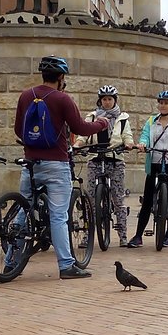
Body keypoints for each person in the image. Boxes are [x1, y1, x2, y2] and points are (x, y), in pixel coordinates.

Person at [14, 56, 109, 279]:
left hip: (30, 163)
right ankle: (66, 265)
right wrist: (102, 123)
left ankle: (10, 262)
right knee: (58, 216)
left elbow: (19, 129)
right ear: (61, 77)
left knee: (23, 210)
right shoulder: (62, 99)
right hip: (56, 164)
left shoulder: (26, 95)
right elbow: (80, 128)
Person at [127, 90, 168, 248]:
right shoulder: (151, 121)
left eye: (166, 103)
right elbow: (144, 136)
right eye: (161, 103)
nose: (162, 106)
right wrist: (142, 144)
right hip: (155, 162)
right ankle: (138, 236)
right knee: (147, 201)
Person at [73, 85, 134, 247]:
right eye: (104, 99)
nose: (107, 102)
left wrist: (128, 144)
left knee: (118, 198)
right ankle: (88, 235)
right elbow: (83, 135)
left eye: (109, 99)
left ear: (115, 101)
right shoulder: (92, 117)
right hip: (95, 158)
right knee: (91, 200)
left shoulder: (122, 119)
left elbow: (127, 136)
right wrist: (78, 144)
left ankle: (123, 235)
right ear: (99, 101)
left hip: (115, 160)